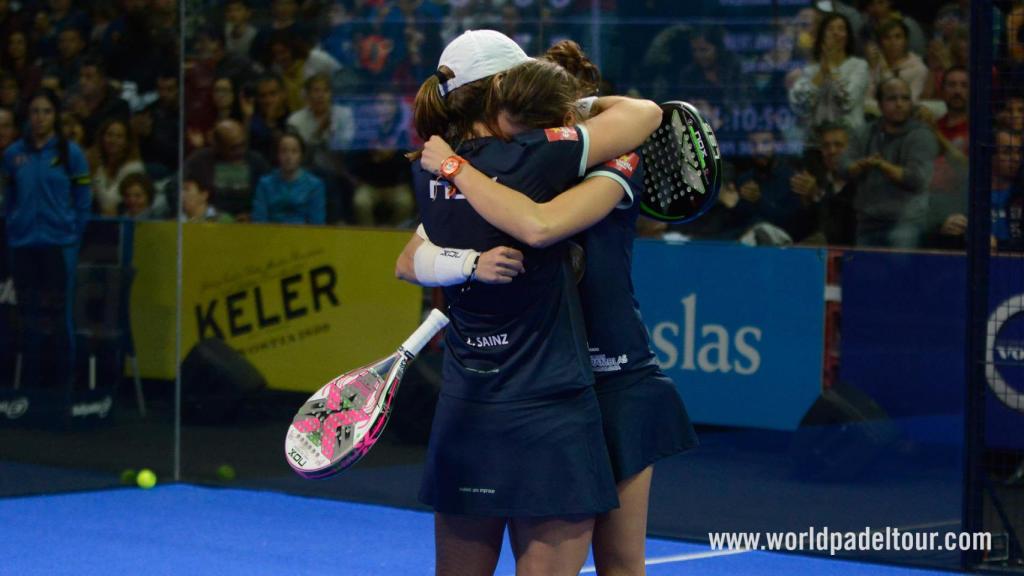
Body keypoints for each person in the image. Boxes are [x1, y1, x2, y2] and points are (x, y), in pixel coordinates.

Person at [401, 39, 698, 576]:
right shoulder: (524, 162)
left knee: (620, 564)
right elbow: (413, 255)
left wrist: (451, 168)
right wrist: (469, 260)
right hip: (541, 379)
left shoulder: (581, 160)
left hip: (612, 378)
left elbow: (542, 225)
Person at [1, 88, 91, 392]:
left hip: (59, 244)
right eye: (35, 112)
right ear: (28, 116)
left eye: (46, 112)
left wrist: (74, 233)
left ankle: (62, 386)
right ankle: (30, 387)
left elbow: (83, 197)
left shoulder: (70, 153)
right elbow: (8, 197)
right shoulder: (13, 155)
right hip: (23, 244)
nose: (40, 118)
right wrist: (14, 226)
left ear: (55, 115)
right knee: (27, 315)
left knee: (58, 316)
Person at [841, 76, 938, 248]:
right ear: (879, 104)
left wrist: (882, 165)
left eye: (905, 98)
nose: (899, 104)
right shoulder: (863, 132)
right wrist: (860, 165)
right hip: (867, 223)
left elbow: (917, 179)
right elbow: (843, 166)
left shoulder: (922, 135)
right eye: (892, 98)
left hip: (907, 225)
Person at [788, 12, 869, 138]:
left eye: (841, 29)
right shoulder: (809, 71)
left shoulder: (859, 66)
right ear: (821, 36)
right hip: (817, 143)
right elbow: (801, 106)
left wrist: (832, 67)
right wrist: (822, 71)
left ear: (847, 36)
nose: (835, 33)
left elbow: (846, 102)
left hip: (850, 141)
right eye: (830, 29)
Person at [251, 131, 325, 224]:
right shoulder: (265, 184)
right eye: (284, 151)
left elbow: (316, 224)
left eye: (294, 151)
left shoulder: (315, 186)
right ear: (277, 154)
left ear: (301, 155)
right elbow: (259, 221)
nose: (288, 156)